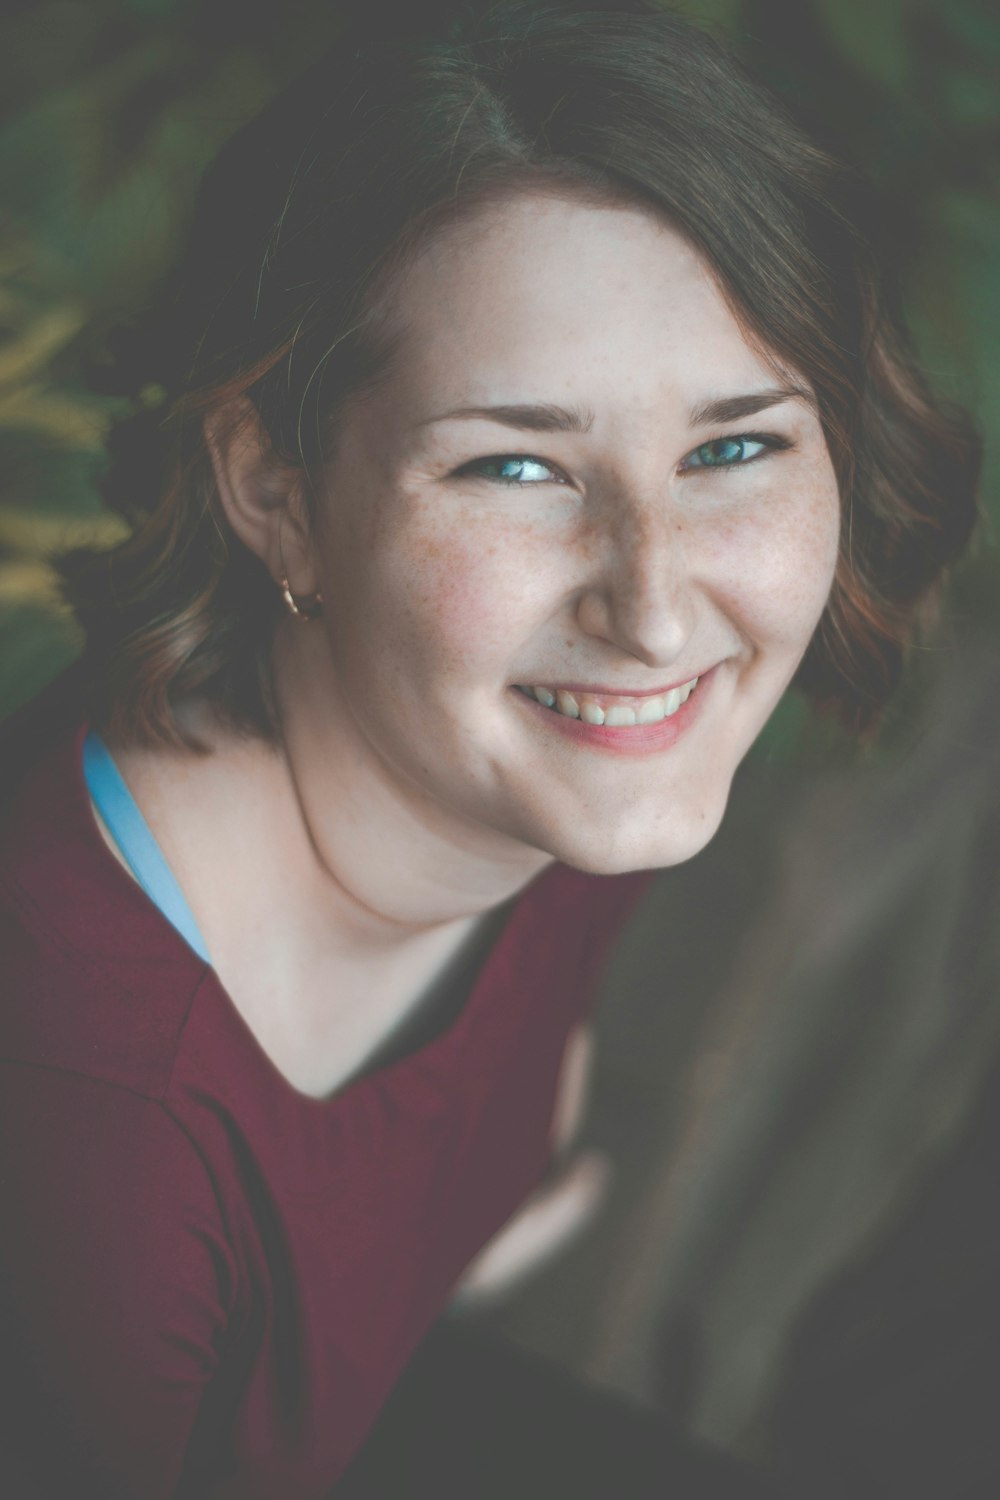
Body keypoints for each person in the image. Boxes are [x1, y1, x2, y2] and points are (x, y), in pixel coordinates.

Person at [0, 1, 979, 1495]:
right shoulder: (93, 1159)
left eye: (734, 448)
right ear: (272, 491)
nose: (654, 611)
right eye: (514, 466)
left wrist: (433, 1213)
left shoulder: (554, 769)